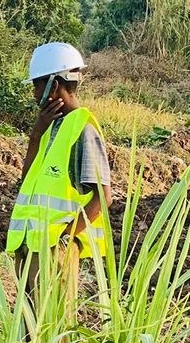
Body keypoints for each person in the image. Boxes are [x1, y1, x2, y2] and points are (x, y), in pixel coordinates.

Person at [6, 42, 112, 311]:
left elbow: (103, 197)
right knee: (28, 326)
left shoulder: (83, 129)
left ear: (53, 86)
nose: (34, 93)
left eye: (36, 86)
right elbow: (28, 180)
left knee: (54, 325)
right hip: (30, 246)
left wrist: (65, 237)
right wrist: (35, 135)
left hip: (54, 251)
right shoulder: (51, 127)